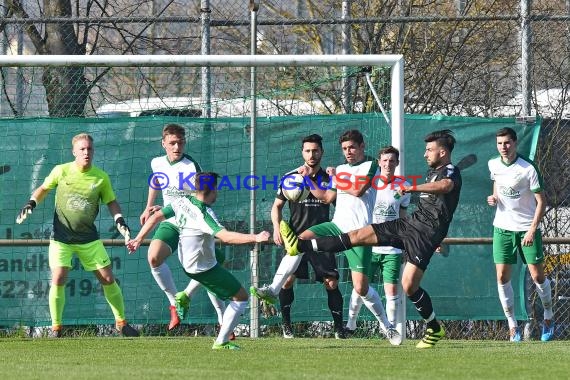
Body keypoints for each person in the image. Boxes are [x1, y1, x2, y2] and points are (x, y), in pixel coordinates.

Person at [279, 129, 461, 349]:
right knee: (358, 235)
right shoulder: (433, 172)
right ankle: (300, 244)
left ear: (442, 152)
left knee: (408, 286)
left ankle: (433, 327)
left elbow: (446, 187)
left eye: (429, 150)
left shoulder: (450, 172)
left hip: (426, 235)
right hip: (409, 224)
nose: (425, 154)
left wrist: (412, 187)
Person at [251, 130, 400, 343]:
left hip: (359, 234)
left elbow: (358, 190)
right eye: (345, 149)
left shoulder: (370, 166)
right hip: (336, 226)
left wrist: (336, 178)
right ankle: (273, 289)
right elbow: (327, 197)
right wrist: (307, 181)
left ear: (362, 147)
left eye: (352, 147)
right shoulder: (339, 169)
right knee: (298, 241)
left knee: (361, 288)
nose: (348, 152)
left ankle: (387, 326)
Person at [127, 172, 270, 350]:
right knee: (241, 297)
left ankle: (185, 296)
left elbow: (156, 216)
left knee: (220, 258)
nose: (217, 193)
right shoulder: (204, 214)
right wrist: (255, 237)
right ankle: (221, 341)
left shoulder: (183, 201)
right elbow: (225, 237)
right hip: (203, 269)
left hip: (187, 261)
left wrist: (138, 238)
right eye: (216, 189)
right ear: (211, 190)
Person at [15, 133, 139, 337]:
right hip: (61, 239)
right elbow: (43, 189)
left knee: (108, 278)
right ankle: (56, 328)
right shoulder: (61, 171)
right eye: (82, 149)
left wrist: (119, 219)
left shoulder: (101, 177)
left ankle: (121, 323)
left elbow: (111, 202)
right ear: (74, 152)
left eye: (89, 149)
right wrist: (31, 203)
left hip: (89, 239)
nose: (86, 152)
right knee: (58, 277)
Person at [139, 123, 227, 331]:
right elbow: (156, 182)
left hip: (191, 222)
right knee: (153, 257)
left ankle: (223, 320)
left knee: (204, 272)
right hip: (171, 220)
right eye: (172, 143)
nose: (177, 147)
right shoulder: (157, 163)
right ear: (164, 144)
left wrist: (172, 207)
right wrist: (149, 206)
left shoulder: (190, 167)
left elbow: (197, 197)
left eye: (180, 143)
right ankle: (174, 303)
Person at [265, 134, 344, 338]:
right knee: (287, 281)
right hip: (296, 239)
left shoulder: (330, 178)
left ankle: (338, 329)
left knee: (331, 282)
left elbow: (340, 206)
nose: (312, 154)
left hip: (322, 238)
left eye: (315, 150)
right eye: (308, 150)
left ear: (322, 152)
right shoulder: (291, 177)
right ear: (302, 152)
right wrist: (276, 227)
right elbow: (277, 206)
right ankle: (286, 326)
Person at [487, 127, 554, 342]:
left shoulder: (528, 168)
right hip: (502, 229)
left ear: (515, 143)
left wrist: (532, 230)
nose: (503, 147)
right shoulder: (493, 164)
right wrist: (494, 198)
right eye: (499, 143)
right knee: (502, 277)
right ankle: (512, 325)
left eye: (507, 143)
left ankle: (548, 317)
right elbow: (497, 183)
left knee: (537, 276)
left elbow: (542, 202)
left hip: (527, 229)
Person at [345, 146, 410, 335]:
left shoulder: (403, 186)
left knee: (392, 291)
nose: (388, 164)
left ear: (397, 163)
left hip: (392, 248)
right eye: (385, 160)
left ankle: (390, 331)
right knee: (359, 287)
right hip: (368, 245)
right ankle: (351, 324)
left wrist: (404, 244)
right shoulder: (370, 183)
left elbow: (403, 218)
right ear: (379, 162)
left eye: (392, 160)